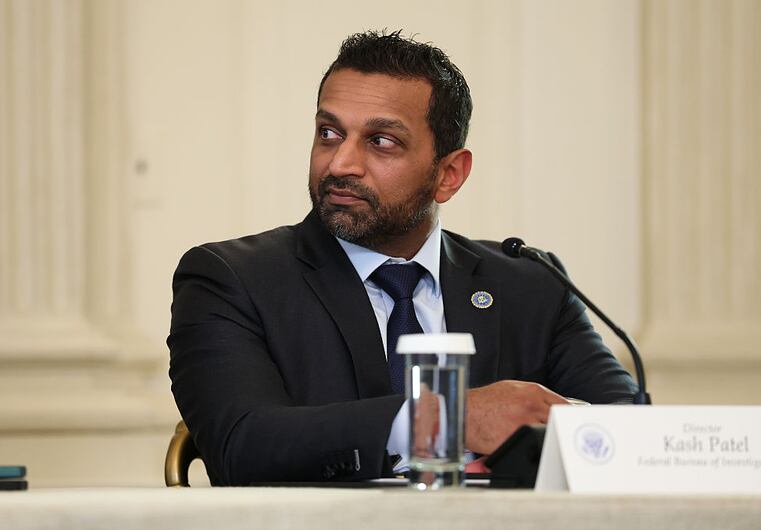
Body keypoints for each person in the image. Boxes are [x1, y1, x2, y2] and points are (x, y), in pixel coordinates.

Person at [168, 30, 636, 486]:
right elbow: (241, 446)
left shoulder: (531, 284)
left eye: (381, 141)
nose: (340, 164)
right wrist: (447, 420)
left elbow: (634, 436)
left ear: (449, 175)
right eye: (329, 133)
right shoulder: (230, 279)